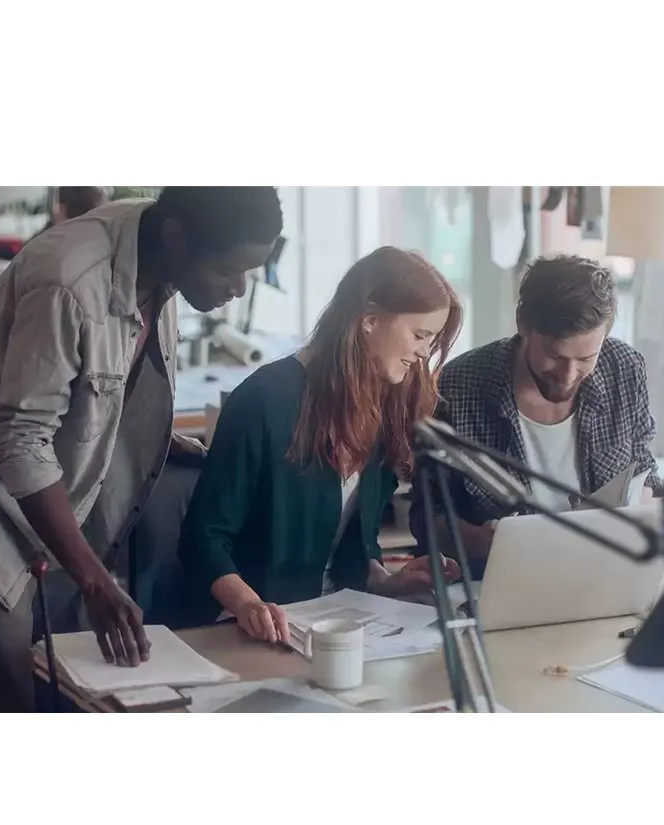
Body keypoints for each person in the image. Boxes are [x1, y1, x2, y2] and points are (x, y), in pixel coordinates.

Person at [0, 187, 283, 711]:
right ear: (176, 237)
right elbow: (20, 439)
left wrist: (157, 438)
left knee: (62, 680)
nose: (239, 288)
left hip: (39, 475)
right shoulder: (69, 281)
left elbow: (96, 386)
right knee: (1, 689)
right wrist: (95, 582)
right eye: (227, 270)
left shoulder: (157, 255)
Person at [176, 247, 463, 642]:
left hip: (337, 622)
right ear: (369, 319)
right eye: (420, 336)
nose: (424, 353)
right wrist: (248, 605)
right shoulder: (264, 400)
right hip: (253, 627)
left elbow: (344, 547)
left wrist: (385, 580)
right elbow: (202, 538)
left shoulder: (385, 403)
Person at [410, 254, 661, 577]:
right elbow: (426, 516)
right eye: (555, 355)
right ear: (523, 324)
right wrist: (480, 540)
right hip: (501, 578)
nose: (568, 375)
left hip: (604, 574)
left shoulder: (624, 369)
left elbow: (645, 473)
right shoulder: (458, 386)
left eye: (586, 358)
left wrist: (639, 515)